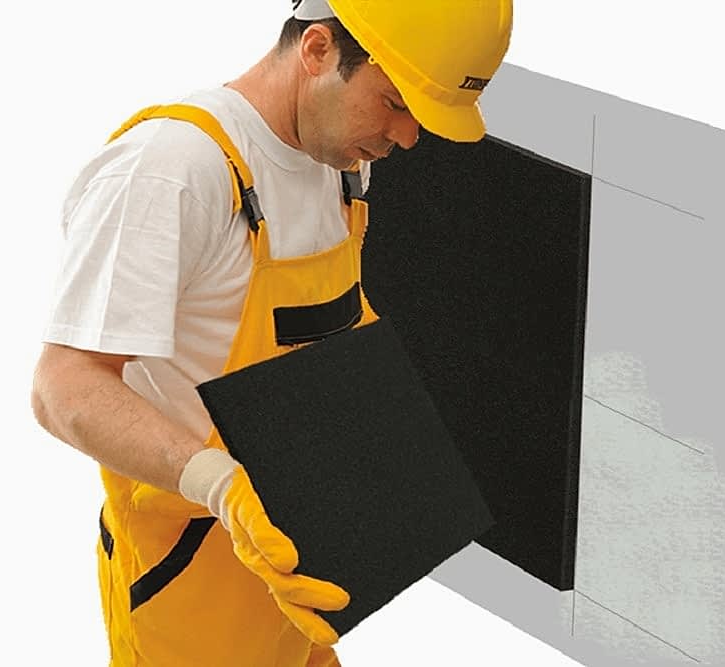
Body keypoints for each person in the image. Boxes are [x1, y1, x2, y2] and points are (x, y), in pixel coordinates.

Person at [31, 0, 513, 664]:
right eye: (395, 104)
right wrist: (221, 486)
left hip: (302, 570)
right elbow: (63, 387)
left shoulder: (343, 162)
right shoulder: (174, 171)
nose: (406, 138)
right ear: (317, 50)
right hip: (194, 583)